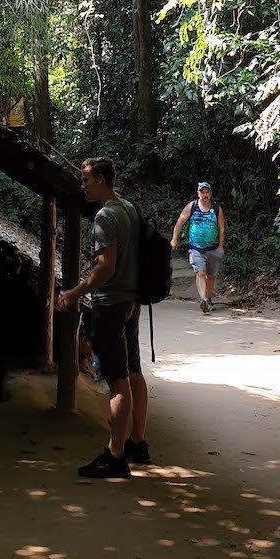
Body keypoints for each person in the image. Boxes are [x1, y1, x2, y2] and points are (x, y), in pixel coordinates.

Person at [57, 156, 149, 479]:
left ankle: (115, 455)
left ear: (101, 180)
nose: (82, 186)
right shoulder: (129, 209)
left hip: (110, 305)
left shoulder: (105, 217)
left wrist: (74, 292)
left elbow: (105, 267)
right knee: (134, 371)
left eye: (86, 179)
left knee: (117, 382)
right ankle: (138, 442)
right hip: (132, 303)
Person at [171, 181, 225, 314]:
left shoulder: (217, 209)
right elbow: (179, 223)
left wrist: (220, 247)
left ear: (210, 193)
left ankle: (207, 298)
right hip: (196, 247)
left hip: (212, 248)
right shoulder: (192, 206)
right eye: (202, 192)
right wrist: (174, 239)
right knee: (200, 273)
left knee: (210, 276)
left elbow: (222, 229)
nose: (205, 195)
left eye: (207, 192)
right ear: (198, 194)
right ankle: (204, 300)